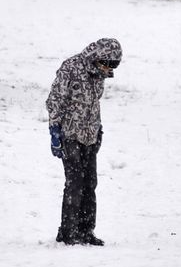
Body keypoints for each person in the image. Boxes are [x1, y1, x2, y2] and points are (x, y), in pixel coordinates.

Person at [46, 37, 123, 246]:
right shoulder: (70, 68)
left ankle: (86, 230)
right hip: (70, 135)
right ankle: (68, 232)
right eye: (105, 63)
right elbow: (55, 100)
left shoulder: (100, 73)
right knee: (75, 183)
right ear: (96, 56)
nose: (107, 69)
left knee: (90, 183)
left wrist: (99, 130)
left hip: (91, 136)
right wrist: (54, 130)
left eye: (111, 66)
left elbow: (92, 104)